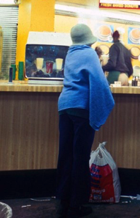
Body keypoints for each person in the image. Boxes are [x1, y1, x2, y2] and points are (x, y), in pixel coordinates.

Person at [56, 24, 115, 218]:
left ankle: (62, 204)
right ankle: (76, 206)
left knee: (65, 157)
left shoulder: (70, 53)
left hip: (64, 107)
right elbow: (99, 83)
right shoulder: (89, 54)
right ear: (88, 39)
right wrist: (107, 103)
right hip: (81, 110)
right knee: (80, 158)